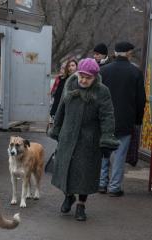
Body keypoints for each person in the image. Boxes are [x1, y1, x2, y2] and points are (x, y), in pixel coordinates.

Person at [49, 58, 119, 221]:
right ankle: (68, 196)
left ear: (95, 77)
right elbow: (61, 108)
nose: (83, 80)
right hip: (67, 136)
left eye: (88, 77)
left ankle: (81, 205)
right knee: (65, 169)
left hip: (89, 140)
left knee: (84, 174)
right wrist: (56, 128)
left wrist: (107, 137)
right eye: (81, 76)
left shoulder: (102, 91)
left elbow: (108, 116)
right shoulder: (70, 85)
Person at [98, 42, 146, 196]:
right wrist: (138, 120)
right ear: (129, 53)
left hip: (104, 119)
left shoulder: (103, 70)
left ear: (115, 53)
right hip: (126, 120)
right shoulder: (136, 72)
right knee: (119, 155)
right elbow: (141, 100)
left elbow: (96, 96)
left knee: (104, 151)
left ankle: (101, 183)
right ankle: (114, 187)